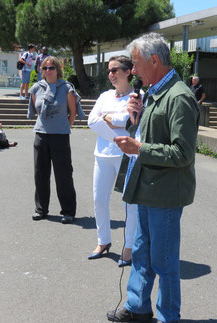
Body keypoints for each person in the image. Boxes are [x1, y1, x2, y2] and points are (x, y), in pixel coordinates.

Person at [106, 33, 200, 323]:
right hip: (147, 188)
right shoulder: (154, 93)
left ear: (155, 60)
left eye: (136, 64)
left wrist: (140, 148)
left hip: (166, 194)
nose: (132, 71)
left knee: (164, 260)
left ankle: (168, 317)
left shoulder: (180, 97)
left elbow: (182, 153)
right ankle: (137, 308)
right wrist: (136, 122)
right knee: (142, 252)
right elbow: (150, 137)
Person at [87, 55, 140, 266]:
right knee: (99, 199)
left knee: (129, 203)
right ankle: (103, 241)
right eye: (109, 71)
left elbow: (130, 121)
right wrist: (118, 133)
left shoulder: (137, 95)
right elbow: (92, 120)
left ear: (128, 72)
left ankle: (129, 247)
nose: (111, 74)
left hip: (126, 156)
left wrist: (109, 118)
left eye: (115, 70)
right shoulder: (105, 96)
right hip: (102, 154)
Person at [27, 56, 78, 224]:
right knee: (40, 174)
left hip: (60, 137)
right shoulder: (36, 88)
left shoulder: (67, 88)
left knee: (63, 175)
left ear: (58, 70)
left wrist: (64, 127)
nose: (48, 71)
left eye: (51, 68)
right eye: (45, 68)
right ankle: (41, 209)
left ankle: (68, 211)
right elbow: (37, 109)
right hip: (41, 135)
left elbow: (73, 112)